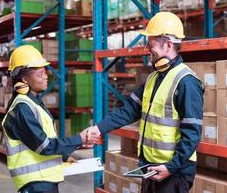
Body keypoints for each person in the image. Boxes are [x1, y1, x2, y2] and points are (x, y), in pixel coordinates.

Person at [87, 12, 204, 193]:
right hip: (151, 168)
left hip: (173, 172)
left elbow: (192, 134)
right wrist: (98, 128)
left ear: (168, 44)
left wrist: (171, 167)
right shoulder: (153, 78)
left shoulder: (186, 81)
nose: (147, 48)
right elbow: (129, 110)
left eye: (151, 44)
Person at [2, 45, 98, 193]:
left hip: (43, 180)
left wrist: (66, 155)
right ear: (24, 78)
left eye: (45, 72)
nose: (46, 76)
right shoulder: (22, 108)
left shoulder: (32, 102)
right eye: (40, 74)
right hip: (35, 184)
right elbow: (45, 146)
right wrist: (79, 139)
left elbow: (41, 140)